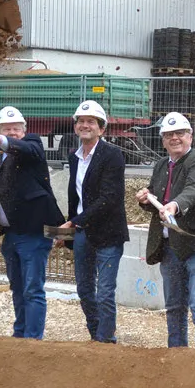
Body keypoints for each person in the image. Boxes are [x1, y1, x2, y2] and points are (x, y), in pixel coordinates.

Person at [0, 105, 64, 340]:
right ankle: (20, 334)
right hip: (10, 233)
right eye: (6, 128)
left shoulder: (32, 144)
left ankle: (32, 340)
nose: (13, 132)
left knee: (33, 289)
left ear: (24, 130)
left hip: (33, 231)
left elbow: (26, 150)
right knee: (18, 287)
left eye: (16, 129)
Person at [137, 112, 195, 349]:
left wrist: (176, 205)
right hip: (171, 247)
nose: (174, 138)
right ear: (163, 140)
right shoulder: (162, 165)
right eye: (168, 135)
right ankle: (177, 356)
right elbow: (159, 203)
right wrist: (146, 199)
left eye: (179, 133)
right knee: (174, 306)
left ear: (190, 136)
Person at [58, 100, 129, 344]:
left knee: (105, 292)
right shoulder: (75, 157)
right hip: (82, 234)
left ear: (101, 129)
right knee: (85, 290)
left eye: (91, 122)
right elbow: (76, 197)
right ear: (76, 126)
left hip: (108, 234)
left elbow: (109, 198)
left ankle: (105, 340)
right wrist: (70, 228)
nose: (85, 125)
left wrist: (75, 222)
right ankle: (96, 336)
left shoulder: (112, 155)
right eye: (81, 121)